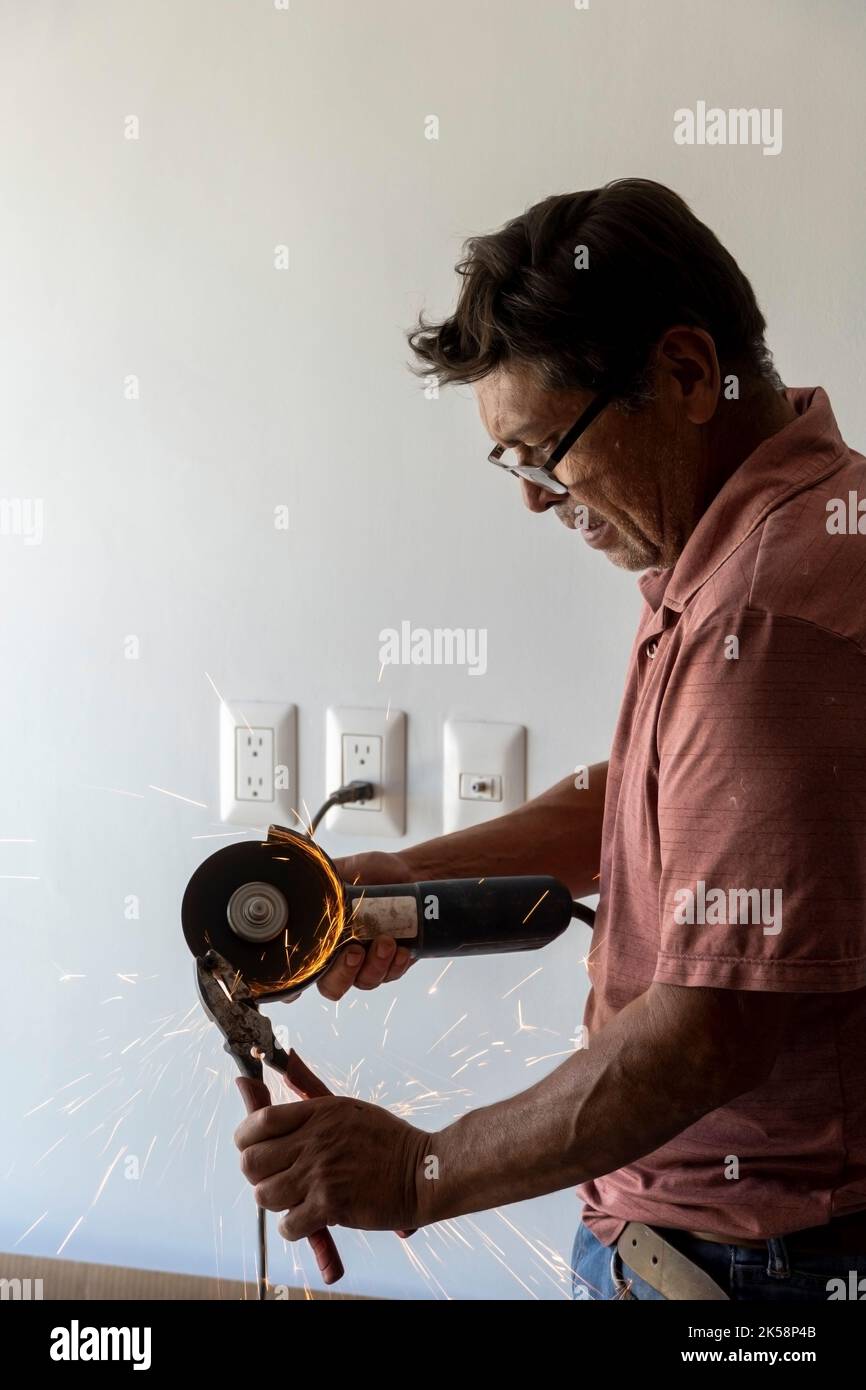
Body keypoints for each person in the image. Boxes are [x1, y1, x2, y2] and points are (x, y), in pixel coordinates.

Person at [235, 179, 866, 1301]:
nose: (533, 501)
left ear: (680, 374)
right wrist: (396, 882)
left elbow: (711, 1030)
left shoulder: (762, 618)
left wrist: (419, 1171)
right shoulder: (778, 529)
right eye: (508, 465)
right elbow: (660, 793)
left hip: (750, 1265)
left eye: (544, 451)